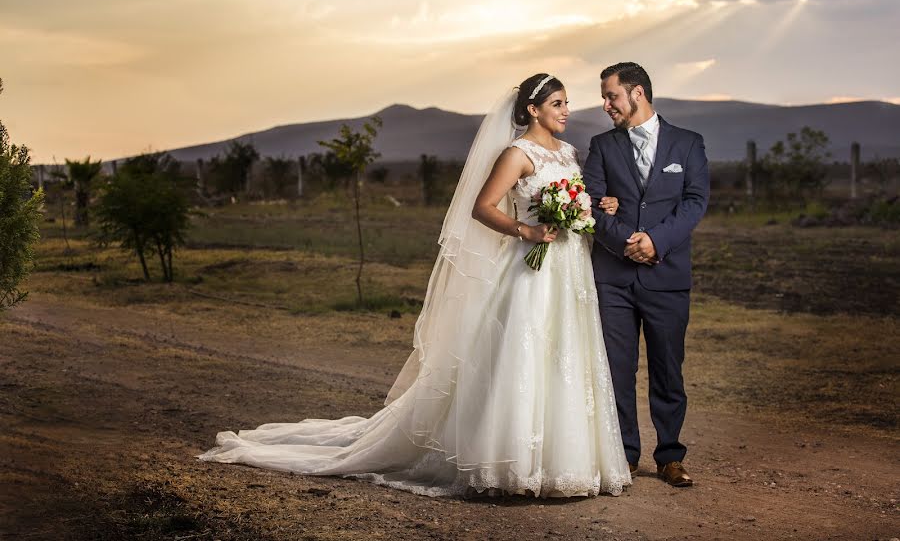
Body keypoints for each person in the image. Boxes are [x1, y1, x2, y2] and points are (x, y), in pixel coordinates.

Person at [198, 74, 632, 498]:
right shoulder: (516, 154)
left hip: (569, 270)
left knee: (566, 356)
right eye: (558, 104)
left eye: (567, 103)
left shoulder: (571, 153)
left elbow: (582, 199)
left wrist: (596, 205)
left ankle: (567, 460)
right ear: (533, 110)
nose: (567, 111)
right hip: (530, 269)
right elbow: (481, 208)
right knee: (526, 353)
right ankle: (514, 461)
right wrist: (525, 230)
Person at [582, 62, 710, 487]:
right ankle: (625, 455)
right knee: (617, 369)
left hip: (667, 275)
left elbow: (694, 202)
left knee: (668, 368)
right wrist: (624, 243)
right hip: (613, 279)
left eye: (611, 96)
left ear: (637, 93)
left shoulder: (688, 144)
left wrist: (655, 241)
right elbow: (593, 204)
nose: (605, 105)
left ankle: (670, 456)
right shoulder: (601, 146)